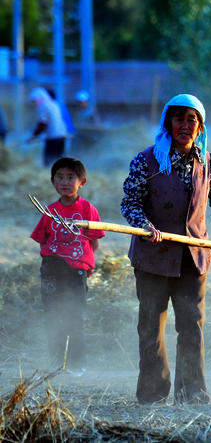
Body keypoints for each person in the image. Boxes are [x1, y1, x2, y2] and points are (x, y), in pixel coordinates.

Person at [120, 93, 211, 405]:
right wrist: (144, 226)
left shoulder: (206, 162)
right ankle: (152, 393)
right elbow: (130, 202)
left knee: (192, 326)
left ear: (200, 127)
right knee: (151, 328)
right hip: (153, 258)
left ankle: (192, 392)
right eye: (179, 118)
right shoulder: (146, 161)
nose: (186, 125)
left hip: (193, 257)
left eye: (192, 119)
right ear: (169, 123)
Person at [30, 157, 105, 374]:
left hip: (75, 271)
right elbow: (43, 240)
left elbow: (94, 242)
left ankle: (76, 365)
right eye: (60, 177)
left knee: (75, 316)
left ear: (82, 181)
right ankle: (55, 363)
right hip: (51, 270)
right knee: (53, 315)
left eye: (70, 177)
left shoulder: (88, 209)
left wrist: (81, 263)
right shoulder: (49, 211)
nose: (65, 182)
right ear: (52, 181)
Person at [28, 87, 68, 167]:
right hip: (62, 135)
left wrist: (34, 136)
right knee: (60, 160)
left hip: (53, 137)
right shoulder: (54, 104)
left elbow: (42, 124)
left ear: (39, 99)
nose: (34, 104)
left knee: (48, 161)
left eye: (34, 101)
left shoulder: (43, 107)